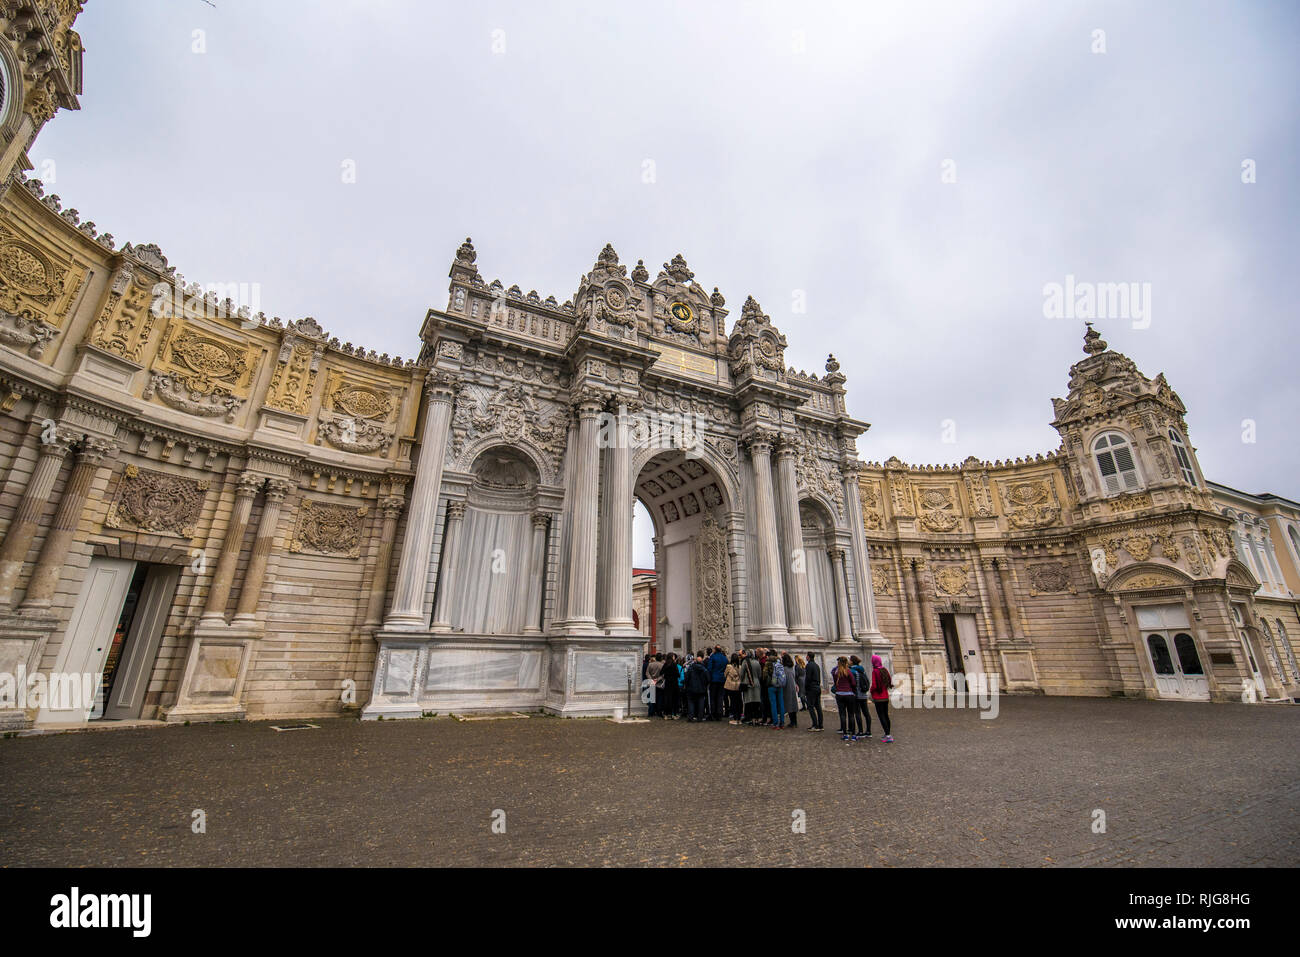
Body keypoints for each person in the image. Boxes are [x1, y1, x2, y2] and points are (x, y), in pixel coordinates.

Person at [832, 656, 860, 742]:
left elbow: (834, 680)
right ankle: (854, 734)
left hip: (839, 694)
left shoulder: (836, 672)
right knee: (851, 715)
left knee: (842, 715)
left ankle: (845, 734)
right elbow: (853, 683)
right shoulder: (848, 671)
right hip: (849, 694)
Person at [870, 654, 894, 743]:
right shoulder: (884, 670)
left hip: (878, 697)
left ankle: (887, 735)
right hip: (885, 696)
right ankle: (888, 733)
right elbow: (889, 680)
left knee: (881, 716)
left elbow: (874, 685)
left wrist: (871, 691)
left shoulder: (875, 671)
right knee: (886, 715)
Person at [684, 652, 710, 722]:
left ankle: (691, 717)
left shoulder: (690, 668)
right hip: (701, 689)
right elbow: (708, 679)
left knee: (691, 702)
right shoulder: (704, 669)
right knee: (701, 702)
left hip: (691, 688)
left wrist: (686, 686)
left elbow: (687, 678)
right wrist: (705, 685)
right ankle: (700, 717)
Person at [850, 655, 871, 738]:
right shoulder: (863, 670)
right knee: (866, 713)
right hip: (864, 694)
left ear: (852, 661)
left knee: (857, 713)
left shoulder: (852, 671)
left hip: (856, 695)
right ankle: (869, 731)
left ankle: (861, 731)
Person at [764, 652, 787, 728]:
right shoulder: (779, 662)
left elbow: (764, 674)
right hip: (780, 685)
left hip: (771, 686)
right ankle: (782, 723)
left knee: (773, 704)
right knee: (781, 703)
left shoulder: (768, 663)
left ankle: (775, 723)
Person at [740, 650, 763, 724]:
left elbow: (741, 674)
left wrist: (742, 680)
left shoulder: (745, 662)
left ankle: (750, 718)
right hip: (756, 683)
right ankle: (757, 717)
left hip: (748, 683)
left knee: (749, 702)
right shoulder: (757, 662)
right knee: (756, 702)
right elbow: (760, 674)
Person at [803, 653, 824, 731]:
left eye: (806, 655)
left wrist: (806, 688)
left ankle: (815, 725)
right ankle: (821, 725)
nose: (806, 657)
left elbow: (808, 678)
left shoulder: (809, 665)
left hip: (811, 688)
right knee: (818, 707)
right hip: (817, 687)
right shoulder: (816, 665)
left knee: (811, 706)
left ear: (808, 657)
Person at [707, 644, 728, 720]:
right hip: (722, 679)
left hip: (714, 679)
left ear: (715, 650)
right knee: (720, 697)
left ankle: (713, 714)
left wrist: (709, 678)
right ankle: (719, 714)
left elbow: (709, 668)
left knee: (713, 697)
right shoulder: (724, 658)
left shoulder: (713, 657)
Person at [660, 653, 680, 720]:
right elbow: (678, 674)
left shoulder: (666, 664)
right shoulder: (674, 664)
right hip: (674, 683)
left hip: (668, 683)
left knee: (667, 699)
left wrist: (666, 675)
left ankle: (666, 714)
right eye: (674, 656)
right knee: (674, 699)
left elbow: (661, 672)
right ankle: (673, 714)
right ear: (672, 657)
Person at [723, 653, 743, 724]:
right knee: (739, 702)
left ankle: (734, 718)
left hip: (730, 686)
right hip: (738, 686)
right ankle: (739, 718)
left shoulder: (728, 666)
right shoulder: (740, 667)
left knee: (733, 702)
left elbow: (725, 674)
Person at [782, 653, 799, 729]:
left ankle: (792, 722)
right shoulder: (791, 668)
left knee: (789, 705)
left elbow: (783, 679)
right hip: (792, 686)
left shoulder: (784, 669)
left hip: (787, 687)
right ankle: (794, 721)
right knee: (793, 704)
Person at [646, 653, 664, 718]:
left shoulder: (650, 664)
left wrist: (651, 679)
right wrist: (657, 680)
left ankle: (650, 712)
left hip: (651, 683)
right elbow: (663, 675)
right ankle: (659, 712)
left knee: (651, 698)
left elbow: (647, 673)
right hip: (659, 684)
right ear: (661, 658)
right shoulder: (662, 665)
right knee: (659, 699)